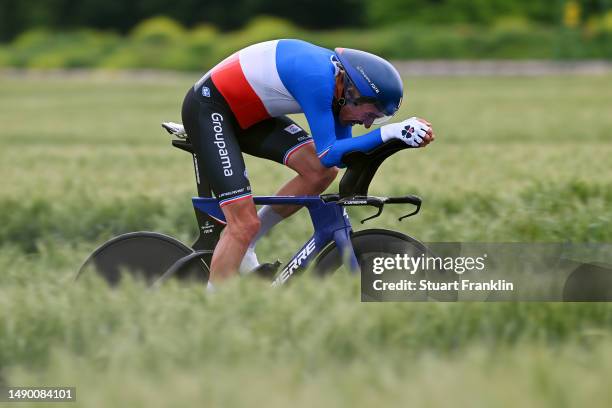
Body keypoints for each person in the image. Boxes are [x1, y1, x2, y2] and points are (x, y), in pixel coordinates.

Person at [180, 39, 435, 286]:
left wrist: (399, 139)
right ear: (351, 93)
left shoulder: (341, 89)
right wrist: (387, 132)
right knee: (243, 223)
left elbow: (341, 159)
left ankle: (248, 243)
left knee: (321, 173)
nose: (368, 124)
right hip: (210, 109)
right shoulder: (318, 79)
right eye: (370, 115)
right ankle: (212, 308)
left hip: (252, 115)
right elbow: (329, 152)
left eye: (376, 120)